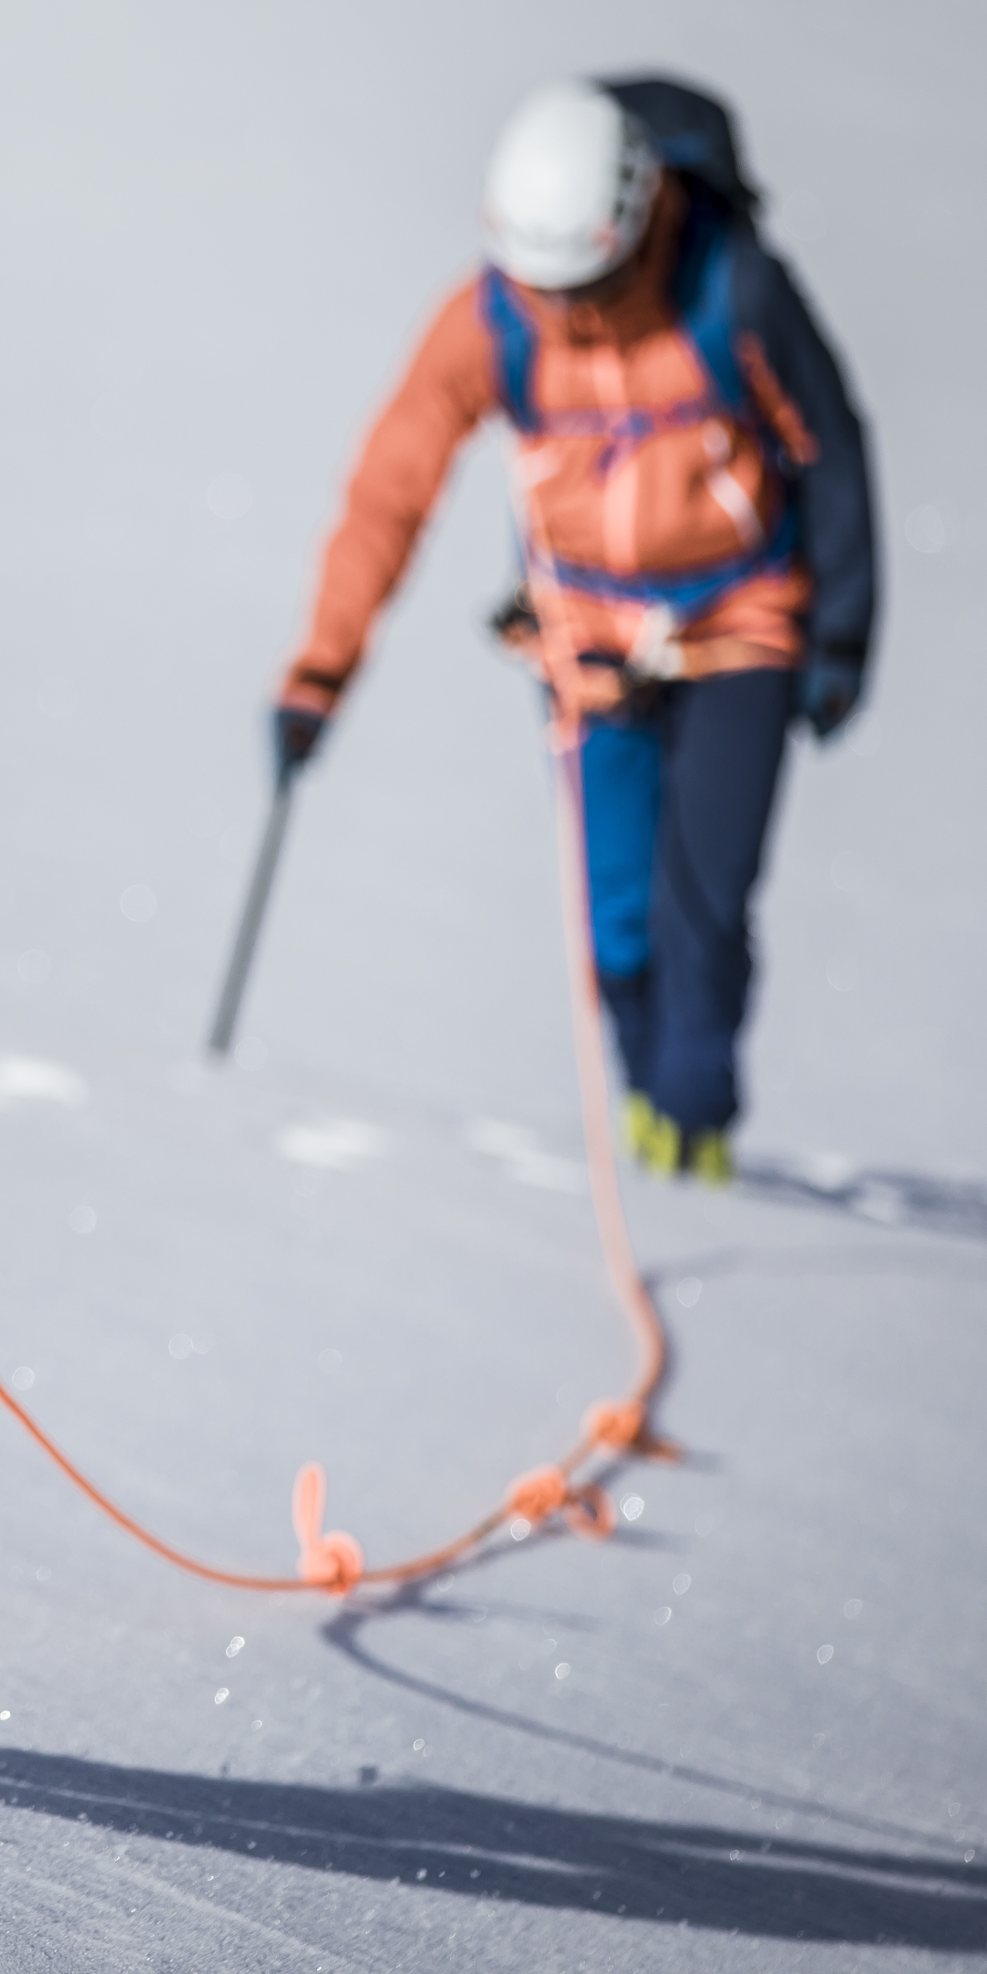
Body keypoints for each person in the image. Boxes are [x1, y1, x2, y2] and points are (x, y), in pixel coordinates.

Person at [271, 77, 875, 1182]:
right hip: (584, 634)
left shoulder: (733, 291)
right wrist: (323, 666)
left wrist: (841, 634)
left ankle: (694, 1126)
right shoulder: (491, 319)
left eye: (585, 287)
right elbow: (392, 486)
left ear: (637, 226)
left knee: (704, 906)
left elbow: (828, 446)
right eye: (537, 288)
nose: (561, 314)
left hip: (738, 623)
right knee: (617, 917)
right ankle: (648, 1111)